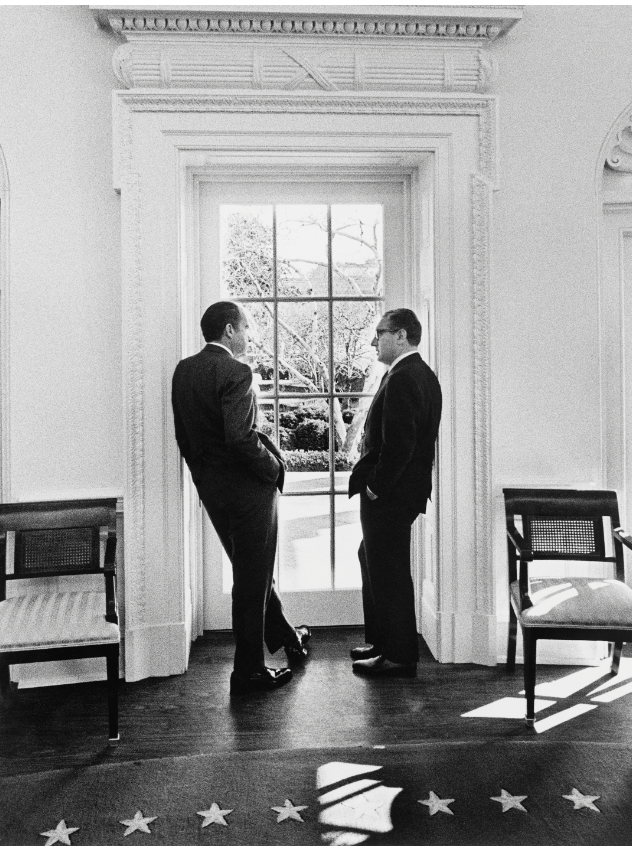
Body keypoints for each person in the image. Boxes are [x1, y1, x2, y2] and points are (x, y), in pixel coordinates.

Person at [172, 301, 311, 695]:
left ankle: (288, 638)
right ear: (230, 330)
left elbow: (185, 438)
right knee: (252, 582)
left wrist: (204, 479)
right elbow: (241, 438)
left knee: (254, 573)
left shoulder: (183, 371)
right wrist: (274, 470)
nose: (249, 336)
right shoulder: (237, 370)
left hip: (213, 491)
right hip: (249, 491)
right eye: (247, 328)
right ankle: (248, 671)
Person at [348, 308, 442, 677]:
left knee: (389, 571)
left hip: (390, 495)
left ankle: (399, 655)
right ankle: (383, 641)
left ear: (401, 335)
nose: (374, 340)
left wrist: (375, 487)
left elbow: (400, 446)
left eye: (380, 333)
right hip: (399, 493)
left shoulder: (405, 376)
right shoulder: (412, 373)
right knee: (371, 558)